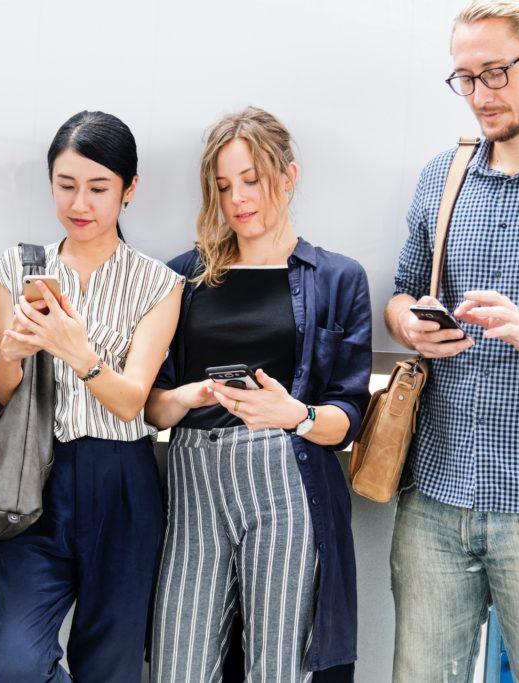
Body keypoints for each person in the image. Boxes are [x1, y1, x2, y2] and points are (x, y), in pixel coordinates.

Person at [385, 1, 519, 680]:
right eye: (464, 78)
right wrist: (407, 322)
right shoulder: (444, 175)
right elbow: (402, 292)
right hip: (435, 497)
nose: (479, 95)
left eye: (495, 73)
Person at [146, 107, 372, 683]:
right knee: (180, 664)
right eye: (224, 186)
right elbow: (152, 403)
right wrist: (189, 397)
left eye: (252, 180)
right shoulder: (183, 278)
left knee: (281, 667)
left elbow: (349, 415)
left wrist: (293, 414)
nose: (238, 199)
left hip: (287, 484)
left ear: (288, 177)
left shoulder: (338, 278)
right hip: (194, 483)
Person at [0, 110, 182, 682]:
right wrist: (11, 354)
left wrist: (77, 350)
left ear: (129, 190)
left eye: (99, 188)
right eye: (65, 185)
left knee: (111, 668)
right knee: (18, 666)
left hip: (124, 481)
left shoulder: (158, 283)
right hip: (34, 478)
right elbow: (4, 395)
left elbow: (131, 402)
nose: (81, 203)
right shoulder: (17, 268)